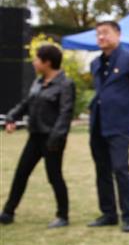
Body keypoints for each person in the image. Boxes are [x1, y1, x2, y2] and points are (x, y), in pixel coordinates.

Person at [0, 44, 75, 228]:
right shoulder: (38, 83)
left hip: (52, 139)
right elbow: (26, 103)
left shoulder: (65, 84)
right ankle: (8, 212)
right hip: (35, 136)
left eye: (37, 59)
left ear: (47, 62)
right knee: (21, 173)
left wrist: (56, 139)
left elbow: (66, 114)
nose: (34, 62)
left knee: (54, 176)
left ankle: (63, 215)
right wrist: (11, 117)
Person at [87, 20, 129, 233]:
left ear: (118, 34)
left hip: (120, 123)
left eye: (105, 33)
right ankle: (108, 213)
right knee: (101, 169)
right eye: (98, 34)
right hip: (98, 122)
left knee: (120, 168)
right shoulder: (96, 63)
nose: (101, 37)